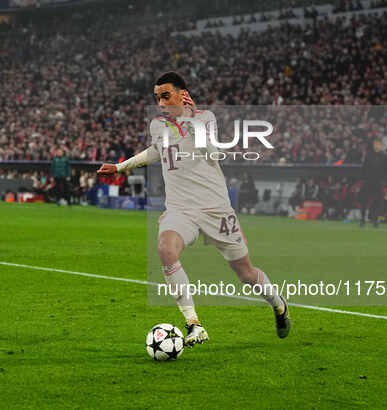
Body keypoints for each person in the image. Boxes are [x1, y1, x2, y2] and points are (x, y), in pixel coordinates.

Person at [97, 72, 290, 347]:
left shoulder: (205, 118)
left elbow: (212, 152)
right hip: (180, 209)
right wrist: (120, 166)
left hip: (216, 210)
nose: (161, 103)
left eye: (166, 96)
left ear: (182, 94)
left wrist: (191, 119)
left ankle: (278, 304)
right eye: (157, 98)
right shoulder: (157, 126)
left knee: (246, 274)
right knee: (166, 249)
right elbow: (156, 151)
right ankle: (194, 324)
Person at [359, 139, 387, 227]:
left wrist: (383, 180)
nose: (377, 146)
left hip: (378, 182)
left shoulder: (384, 156)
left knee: (378, 201)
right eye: (376, 144)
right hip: (368, 181)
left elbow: (386, 169)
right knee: (364, 201)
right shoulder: (369, 155)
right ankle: (362, 219)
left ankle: (375, 220)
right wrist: (364, 179)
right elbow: (364, 168)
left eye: (379, 144)